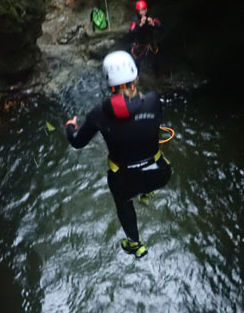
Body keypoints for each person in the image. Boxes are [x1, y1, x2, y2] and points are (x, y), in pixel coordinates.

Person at [65, 50, 172, 259]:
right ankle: (148, 194)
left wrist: (70, 128)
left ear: (109, 84)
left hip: (125, 181)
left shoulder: (98, 114)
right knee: (148, 176)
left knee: (124, 203)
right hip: (159, 174)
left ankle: (135, 244)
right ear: (135, 78)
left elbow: (77, 142)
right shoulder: (153, 100)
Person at [129, 0, 163, 75]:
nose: (142, 12)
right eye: (140, 11)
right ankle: (136, 77)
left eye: (143, 10)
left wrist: (153, 24)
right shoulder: (135, 20)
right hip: (140, 44)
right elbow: (132, 32)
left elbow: (160, 26)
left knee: (155, 60)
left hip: (150, 43)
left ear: (146, 10)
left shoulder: (150, 18)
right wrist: (140, 25)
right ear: (137, 11)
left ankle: (158, 76)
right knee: (138, 62)